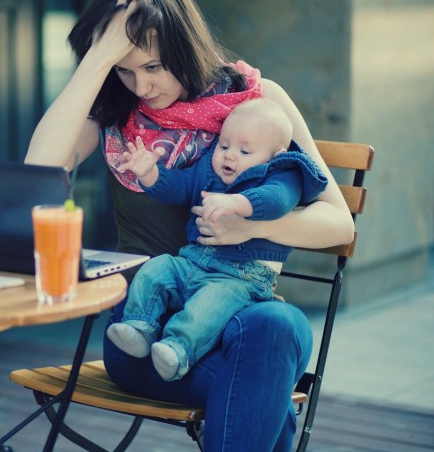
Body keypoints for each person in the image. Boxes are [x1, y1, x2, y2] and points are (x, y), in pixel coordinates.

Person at [24, 0, 354, 452]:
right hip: (146, 331)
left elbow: (339, 224)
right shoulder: (111, 109)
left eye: (153, 67)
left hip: (237, 312)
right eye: (125, 69)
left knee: (277, 324)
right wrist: (97, 62)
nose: (141, 87)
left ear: (184, 46)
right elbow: (37, 175)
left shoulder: (256, 103)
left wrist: (250, 225)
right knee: (264, 373)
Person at [106, 98, 328, 381]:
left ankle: (177, 348)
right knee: (157, 268)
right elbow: (179, 187)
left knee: (209, 306)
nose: (229, 156)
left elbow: (278, 201)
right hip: (193, 261)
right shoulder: (209, 168)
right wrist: (151, 175)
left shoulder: (283, 174)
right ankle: (139, 326)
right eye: (224, 145)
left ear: (276, 154)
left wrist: (238, 203)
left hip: (240, 277)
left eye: (244, 150)